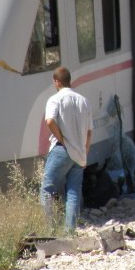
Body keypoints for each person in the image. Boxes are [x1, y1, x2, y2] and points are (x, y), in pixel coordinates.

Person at [40, 66, 92, 234]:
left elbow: (49, 121)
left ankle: (50, 230)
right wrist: (85, 152)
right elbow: (90, 131)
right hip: (79, 153)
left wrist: (61, 139)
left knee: (47, 189)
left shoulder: (55, 99)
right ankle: (70, 233)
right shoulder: (83, 100)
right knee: (73, 192)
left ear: (56, 82)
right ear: (69, 80)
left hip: (61, 150)